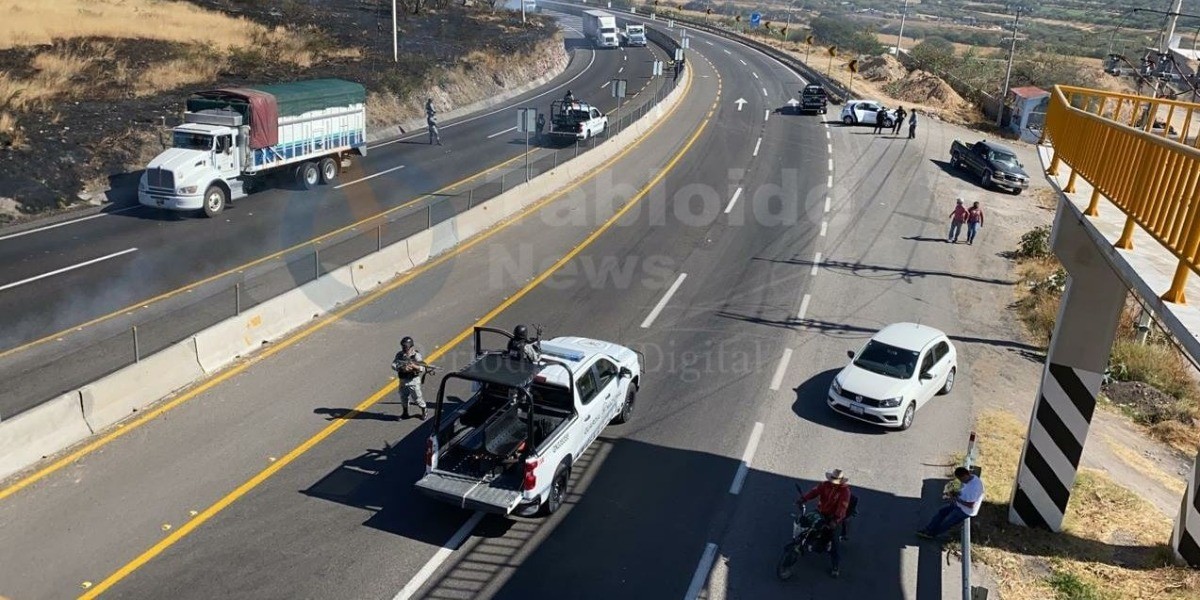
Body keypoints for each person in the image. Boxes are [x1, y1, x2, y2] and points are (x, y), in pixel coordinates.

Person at [798, 469, 853, 578]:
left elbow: (842, 508)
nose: (833, 483)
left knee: (834, 542)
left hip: (834, 518)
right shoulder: (824, 485)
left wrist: (835, 520)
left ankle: (835, 566)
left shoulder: (844, 492)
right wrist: (804, 499)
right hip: (821, 512)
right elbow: (814, 492)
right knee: (806, 522)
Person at [917, 466, 985, 540]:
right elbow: (964, 489)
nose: (961, 481)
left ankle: (931, 534)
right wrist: (955, 493)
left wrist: (956, 499)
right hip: (958, 503)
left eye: (962, 479)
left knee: (947, 522)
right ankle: (929, 529)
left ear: (966, 475)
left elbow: (971, 505)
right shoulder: (972, 478)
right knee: (941, 512)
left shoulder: (974, 488)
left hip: (965, 511)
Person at [392, 336, 432, 420]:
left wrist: (414, 366)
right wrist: (402, 368)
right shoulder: (399, 355)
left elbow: (423, 368)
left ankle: (424, 409)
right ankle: (405, 413)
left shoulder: (416, 356)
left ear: (410, 346)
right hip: (403, 380)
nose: (404, 348)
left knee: (417, 399)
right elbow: (394, 365)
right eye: (403, 346)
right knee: (403, 397)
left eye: (406, 346)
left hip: (413, 381)